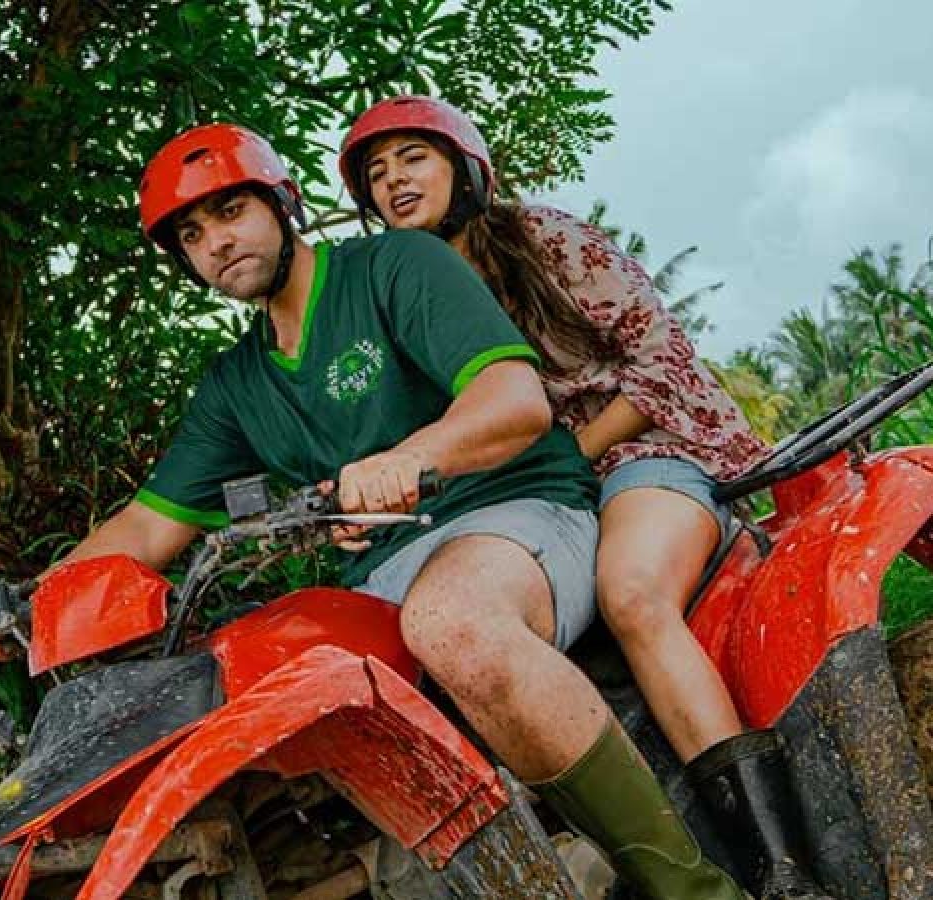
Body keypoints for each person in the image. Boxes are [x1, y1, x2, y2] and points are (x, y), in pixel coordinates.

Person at [55, 122, 743, 898]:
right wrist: (40, 605)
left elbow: (514, 402)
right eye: (192, 232)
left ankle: (697, 890)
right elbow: (147, 526)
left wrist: (413, 457)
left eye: (232, 211)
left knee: (452, 621)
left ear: (284, 206)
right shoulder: (234, 384)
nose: (216, 240)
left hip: (515, 514)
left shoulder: (397, 265)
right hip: (380, 576)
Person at [339, 94, 834, 900]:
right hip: (535, 505)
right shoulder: (396, 304)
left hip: (639, 454)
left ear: (465, 168)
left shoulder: (542, 238)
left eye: (412, 160)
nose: (394, 182)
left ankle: (779, 867)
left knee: (632, 592)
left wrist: (573, 451)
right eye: (376, 174)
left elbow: (659, 358)